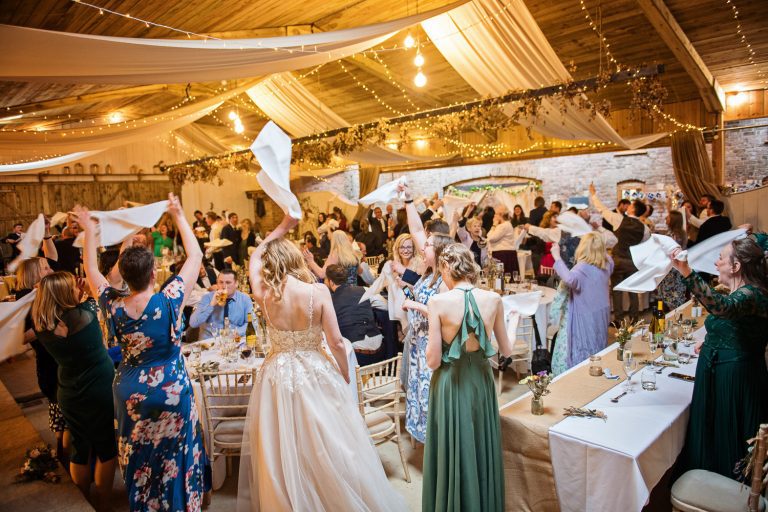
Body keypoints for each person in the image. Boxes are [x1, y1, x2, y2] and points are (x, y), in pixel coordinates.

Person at [237, 215, 406, 511]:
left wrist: (282, 227)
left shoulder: (263, 294)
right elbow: (337, 342)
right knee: (327, 442)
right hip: (314, 371)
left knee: (282, 446)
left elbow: (254, 257)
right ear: (294, 260)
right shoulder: (317, 292)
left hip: (276, 376)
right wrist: (344, 373)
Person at [74, 194, 207, 510]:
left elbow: (91, 268)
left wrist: (90, 231)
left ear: (124, 275)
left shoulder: (112, 305)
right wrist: (177, 214)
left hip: (131, 393)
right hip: (171, 390)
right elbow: (195, 254)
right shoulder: (169, 299)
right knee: (177, 454)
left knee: (140, 457)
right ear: (153, 273)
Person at [423, 243, 514, 512]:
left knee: (453, 447)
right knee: (479, 444)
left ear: (446, 267)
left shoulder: (437, 302)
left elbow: (433, 361)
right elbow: (506, 350)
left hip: (451, 382)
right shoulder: (493, 299)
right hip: (481, 381)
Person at [670, 237, 768, 480]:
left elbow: (723, 308)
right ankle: (705, 479)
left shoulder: (753, 293)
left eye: (721, 258)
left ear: (736, 266)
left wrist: (686, 271)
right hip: (717, 369)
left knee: (727, 431)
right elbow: (736, 325)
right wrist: (712, 339)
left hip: (734, 378)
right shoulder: (742, 291)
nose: (716, 263)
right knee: (711, 430)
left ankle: (726, 485)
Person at [32, 272, 116, 511]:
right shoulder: (85, 314)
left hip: (69, 391)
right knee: (106, 448)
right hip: (98, 387)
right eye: (70, 287)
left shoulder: (42, 325)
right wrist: (86, 292)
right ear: (63, 293)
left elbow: (66, 312)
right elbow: (98, 300)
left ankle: (83, 500)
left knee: (80, 446)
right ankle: (104, 505)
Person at [399, 182, 452, 443]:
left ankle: (439, 446)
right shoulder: (429, 271)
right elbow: (417, 229)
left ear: (438, 251)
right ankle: (426, 443)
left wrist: (416, 306)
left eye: (427, 245)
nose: (422, 247)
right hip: (418, 344)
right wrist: (408, 201)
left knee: (432, 397)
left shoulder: (446, 278)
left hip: (434, 346)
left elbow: (448, 316)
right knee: (419, 394)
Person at [16, 258, 68, 463]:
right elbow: (20, 337)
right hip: (49, 364)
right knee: (62, 413)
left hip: (54, 362)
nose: (50, 269)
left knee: (59, 413)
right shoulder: (26, 300)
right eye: (45, 268)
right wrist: (46, 324)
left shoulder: (39, 296)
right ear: (33, 275)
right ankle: (66, 459)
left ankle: (64, 456)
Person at [549, 233, 613, 374]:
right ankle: (595, 369)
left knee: (582, 347)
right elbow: (606, 254)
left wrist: (557, 257)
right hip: (601, 313)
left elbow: (569, 279)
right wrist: (597, 242)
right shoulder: (607, 264)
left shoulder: (582, 268)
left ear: (582, 247)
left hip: (584, 315)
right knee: (597, 343)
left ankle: (580, 376)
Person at [590, 184, 650, 320]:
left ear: (633, 209)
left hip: (617, 259)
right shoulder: (645, 228)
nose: (628, 206)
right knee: (633, 291)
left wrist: (593, 195)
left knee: (617, 290)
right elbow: (645, 245)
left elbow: (602, 210)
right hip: (633, 261)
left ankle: (618, 319)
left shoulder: (619, 219)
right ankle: (634, 319)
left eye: (631, 205)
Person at [325, 264, 383, 364]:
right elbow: (385, 305)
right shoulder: (364, 290)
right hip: (380, 354)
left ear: (330, 282)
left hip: (357, 358)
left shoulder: (329, 301)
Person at [189, 269, 254, 339]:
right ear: (217, 283)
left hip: (233, 340)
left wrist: (235, 333)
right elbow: (193, 323)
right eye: (221, 282)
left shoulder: (244, 299)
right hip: (210, 342)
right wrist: (211, 305)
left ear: (236, 284)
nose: (224, 286)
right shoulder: (207, 298)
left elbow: (252, 323)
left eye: (228, 282)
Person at [383, 234, 425, 334]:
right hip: (399, 317)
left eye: (409, 247)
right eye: (402, 247)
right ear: (397, 249)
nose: (405, 251)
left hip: (413, 314)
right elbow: (392, 293)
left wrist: (405, 286)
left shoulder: (419, 265)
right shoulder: (394, 265)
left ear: (414, 248)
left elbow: (417, 295)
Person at [652, 210, 688, 310]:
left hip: (671, 268)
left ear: (673, 220)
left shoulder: (673, 235)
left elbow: (667, 252)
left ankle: (676, 315)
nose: (665, 219)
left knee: (671, 295)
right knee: (675, 294)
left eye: (668, 217)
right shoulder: (681, 233)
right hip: (677, 267)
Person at [486, 207, 520, 275]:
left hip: (503, 254)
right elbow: (489, 236)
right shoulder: (504, 225)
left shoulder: (503, 225)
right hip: (504, 253)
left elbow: (491, 238)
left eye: (496, 214)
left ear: (500, 215)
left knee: (503, 277)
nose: (494, 216)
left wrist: (494, 225)